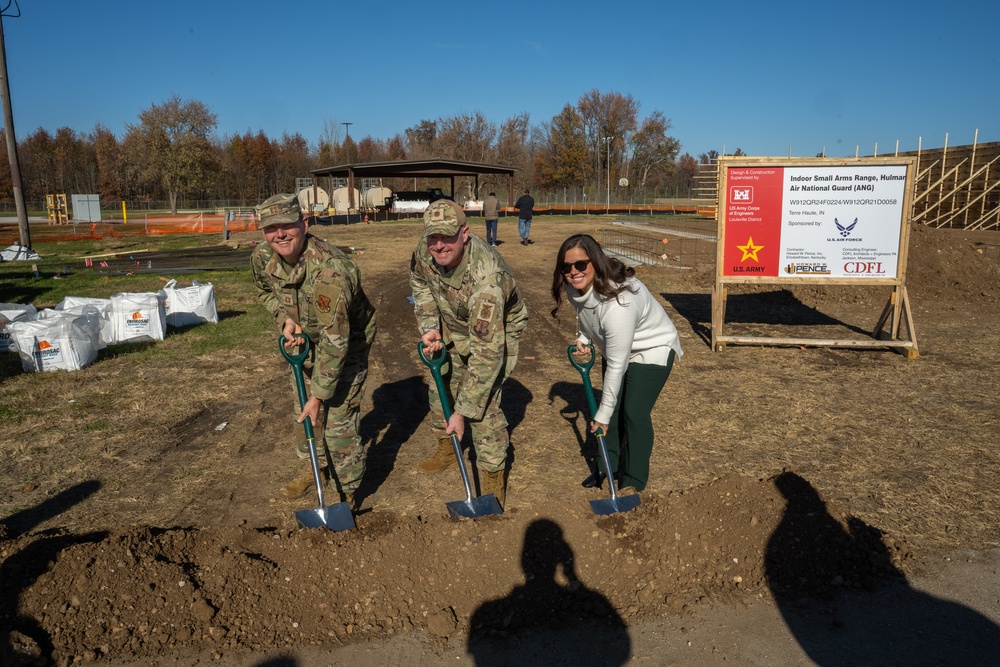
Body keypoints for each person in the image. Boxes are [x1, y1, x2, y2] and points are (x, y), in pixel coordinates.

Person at [251, 193, 376, 510]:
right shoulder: (262, 257)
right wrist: (286, 321)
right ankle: (317, 470)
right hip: (306, 340)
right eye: (271, 228)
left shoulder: (331, 271)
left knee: (336, 424)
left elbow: (336, 340)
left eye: (288, 225)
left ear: (304, 224)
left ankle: (347, 493)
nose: (279, 234)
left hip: (346, 343)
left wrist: (319, 395)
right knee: (304, 416)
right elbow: (266, 291)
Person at [410, 199, 528, 508]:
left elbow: (486, 357)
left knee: (483, 406)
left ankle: (492, 476)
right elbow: (420, 282)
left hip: (495, 331)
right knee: (440, 386)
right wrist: (429, 326)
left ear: (465, 233)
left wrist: (463, 411)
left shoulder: (487, 279)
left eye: (447, 237)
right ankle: (448, 448)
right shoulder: (426, 250)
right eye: (433, 237)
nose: (439, 245)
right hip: (453, 321)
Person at [550, 234, 682, 493]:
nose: (573, 272)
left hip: (651, 348)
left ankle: (633, 480)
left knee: (632, 412)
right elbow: (588, 312)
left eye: (580, 265)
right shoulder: (574, 287)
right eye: (567, 267)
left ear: (596, 263)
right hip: (619, 346)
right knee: (610, 408)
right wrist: (585, 336)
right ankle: (605, 467)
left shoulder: (620, 302)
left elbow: (618, 365)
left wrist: (602, 414)